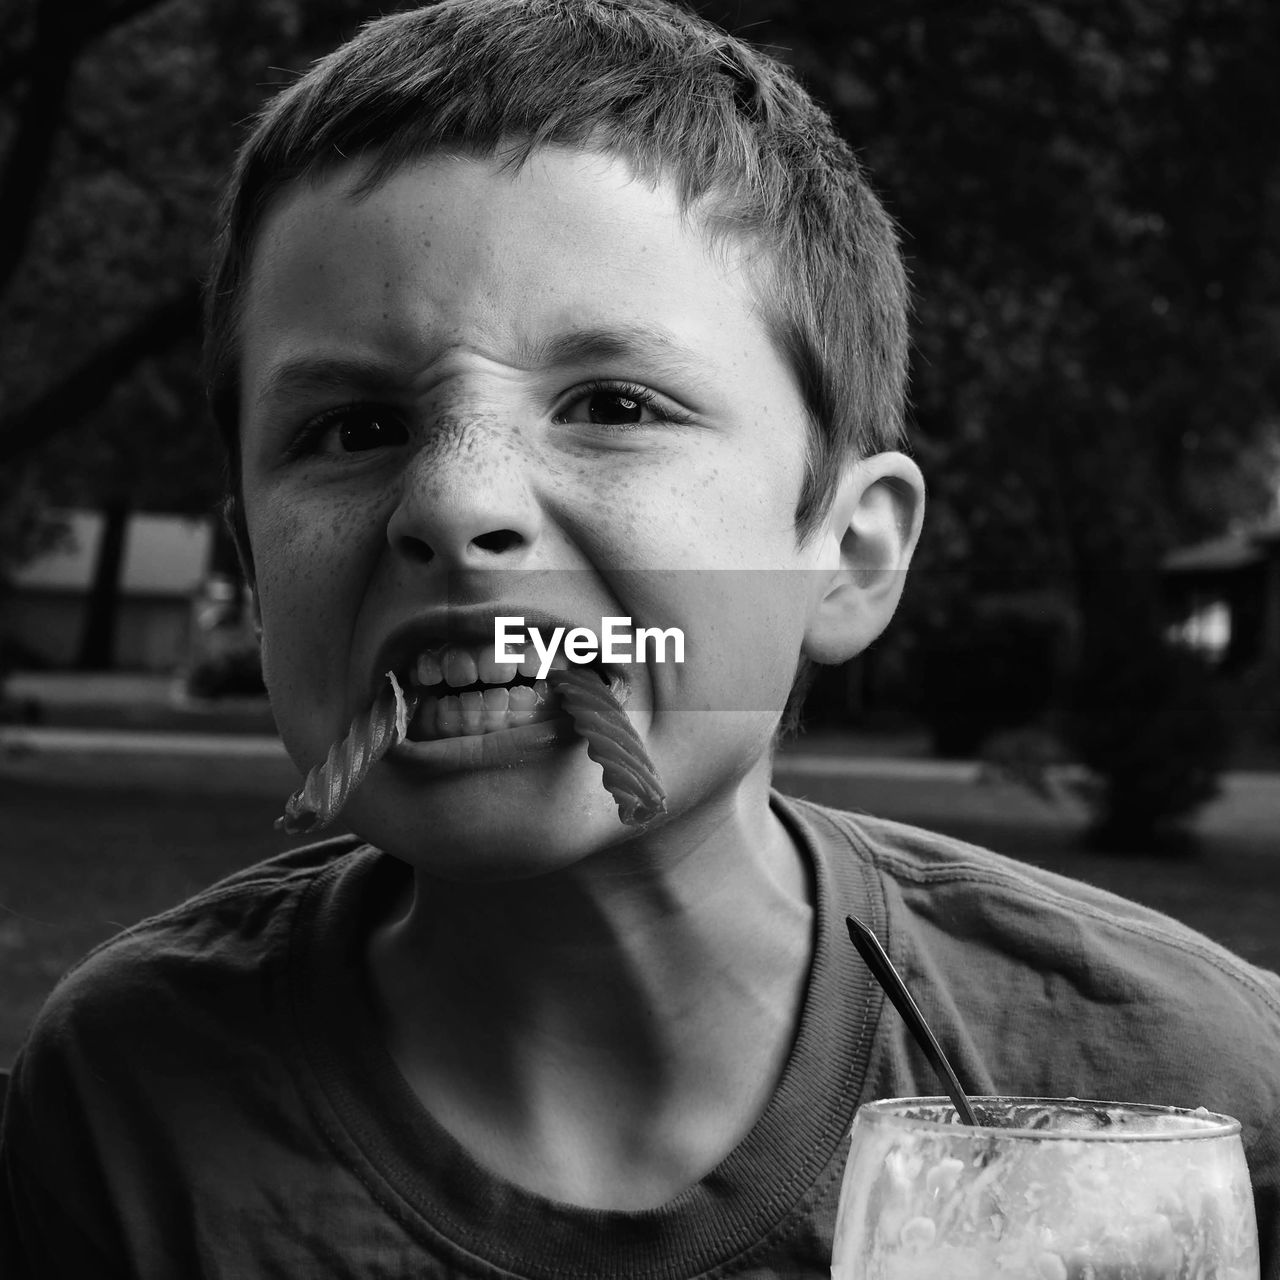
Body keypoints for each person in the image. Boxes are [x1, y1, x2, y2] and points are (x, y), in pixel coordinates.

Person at [3, 0, 1279, 1275]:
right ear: (254, 567)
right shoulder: (123, 1103)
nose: (456, 502)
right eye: (351, 427)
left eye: (613, 404)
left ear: (847, 552)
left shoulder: (1199, 1095)